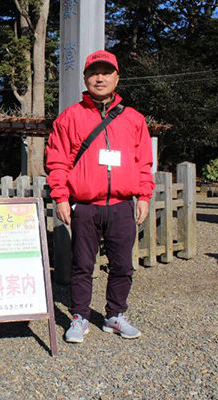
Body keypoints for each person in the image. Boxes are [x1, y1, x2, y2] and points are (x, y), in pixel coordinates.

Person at [45, 50, 154, 343]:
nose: (100, 78)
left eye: (106, 72)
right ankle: (79, 317)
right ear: (85, 78)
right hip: (86, 205)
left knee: (123, 265)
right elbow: (57, 161)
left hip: (121, 204)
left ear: (117, 77)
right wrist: (61, 197)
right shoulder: (70, 117)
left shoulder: (133, 119)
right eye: (94, 73)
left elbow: (144, 161)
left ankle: (115, 315)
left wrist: (143, 195)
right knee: (82, 265)